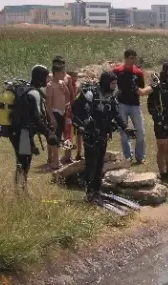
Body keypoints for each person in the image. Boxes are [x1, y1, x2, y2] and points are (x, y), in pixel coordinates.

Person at [72, 71, 155, 202]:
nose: (114, 86)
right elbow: (77, 111)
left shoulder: (110, 97)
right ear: (105, 83)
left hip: (103, 134)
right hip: (91, 135)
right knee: (91, 163)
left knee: (99, 163)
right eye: (112, 84)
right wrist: (88, 125)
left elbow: (116, 115)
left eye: (115, 84)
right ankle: (89, 192)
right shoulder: (91, 94)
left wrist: (126, 128)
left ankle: (97, 190)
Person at [9, 65, 58, 189]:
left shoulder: (27, 90)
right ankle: (20, 191)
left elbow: (30, 118)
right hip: (23, 133)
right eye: (47, 77)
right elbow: (36, 118)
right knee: (23, 161)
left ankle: (21, 189)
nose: (48, 80)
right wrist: (48, 134)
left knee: (23, 159)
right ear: (40, 77)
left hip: (18, 131)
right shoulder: (34, 93)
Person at [112, 49, 148, 164]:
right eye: (131, 58)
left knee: (140, 131)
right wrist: (115, 93)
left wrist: (138, 90)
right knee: (123, 131)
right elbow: (110, 84)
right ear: (126, 58)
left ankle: (140, 156)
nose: (133, 60)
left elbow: (142, 87)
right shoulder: (117, 71)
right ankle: (128, 156)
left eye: (134, 58)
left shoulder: (138, 72)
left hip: (135, 105)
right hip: (121, 103)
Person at [45, 64, 70, 170]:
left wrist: (65, 89)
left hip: (62, 112)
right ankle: (55, 161)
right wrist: (52, 118)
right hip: (54, 112)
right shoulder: (50, 86)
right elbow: (48, 104)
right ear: (55, 73)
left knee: (60, 137)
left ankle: (57, 159)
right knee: (54, 137)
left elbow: (68, 96)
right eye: (61, 72)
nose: (63, 74)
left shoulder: (62, 83)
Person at [66, 71, 83, 161]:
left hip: (78, 113)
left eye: (76, 76)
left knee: (80, 134)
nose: (75, 78)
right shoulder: (65, 86)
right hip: (68, 112)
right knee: (68, 135)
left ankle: (79, 153)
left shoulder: (79, 86)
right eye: (73, 76)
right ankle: (68, 156)